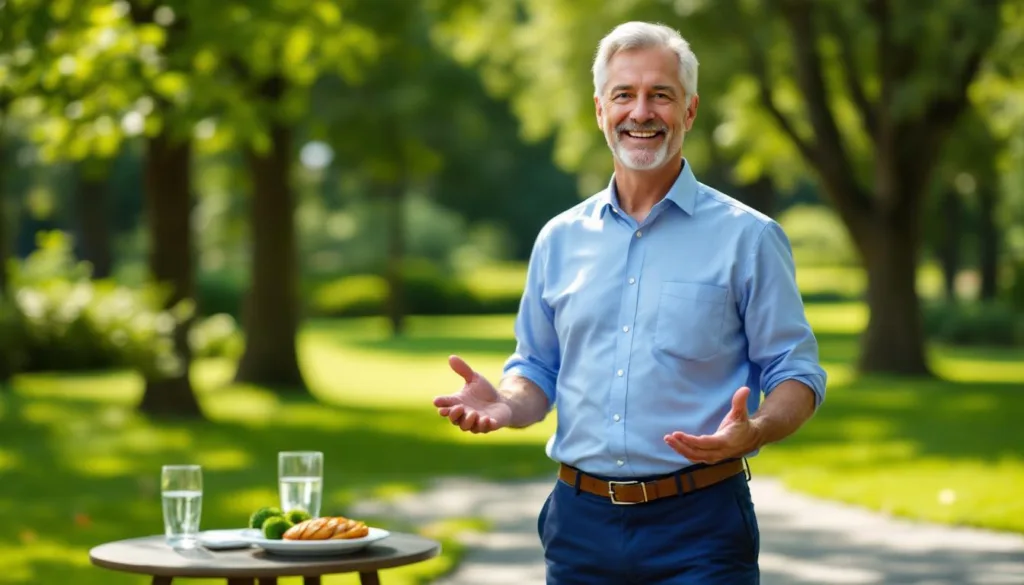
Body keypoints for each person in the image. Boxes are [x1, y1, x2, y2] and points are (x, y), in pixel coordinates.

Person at [432, 20, 827, 585]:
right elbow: (537, 367)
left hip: (701, 529)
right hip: (579, 526)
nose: (641, 112)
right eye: (624, 94)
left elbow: (797, 371)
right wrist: (507, 403)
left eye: (660, 95)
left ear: (688, 112)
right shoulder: (559, 239)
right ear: (600, 110)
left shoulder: (749, 237)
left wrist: (757, 429)